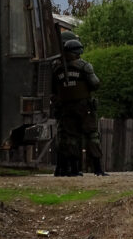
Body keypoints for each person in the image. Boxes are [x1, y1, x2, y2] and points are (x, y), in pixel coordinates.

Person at [51, 38, 107, 176]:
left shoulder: (57, 69)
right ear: (78, 52)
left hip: (66, 107)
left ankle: (74, 169)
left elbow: (54, 89)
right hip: (84, 107)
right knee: (92, 135)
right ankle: (98, 168)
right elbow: (95, 84)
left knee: (70, 138)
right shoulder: (84, 66)